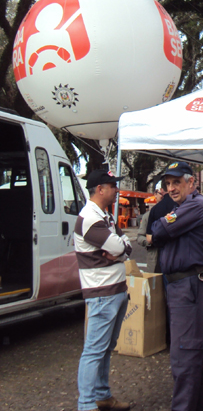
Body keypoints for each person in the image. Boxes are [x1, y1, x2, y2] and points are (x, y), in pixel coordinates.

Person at [151, 162, 203, 411]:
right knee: (191, 359)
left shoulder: (195, 206)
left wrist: (164, 228)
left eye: (176, 182)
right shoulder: (186, 207)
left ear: (192, 182)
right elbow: (158, 228)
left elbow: (158, 229)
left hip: (189, 287)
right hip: (186, 286)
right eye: (168, 184)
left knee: (184, 359)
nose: (171, 188)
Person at [75, 169, 132, 411]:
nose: (116, 190)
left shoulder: (105, 217)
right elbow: (119, 246)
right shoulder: (90, 218)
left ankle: (102, 396)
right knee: (94, 351)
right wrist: (120, 251)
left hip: (114, 292)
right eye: (112, 186)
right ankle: (86, 404)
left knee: (105, 348)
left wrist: (120, 252)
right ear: (100, 189)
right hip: (102, 294)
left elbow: (124, 245)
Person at [145, 179, 177, 272]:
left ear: (162, 190)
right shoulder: (182, 205)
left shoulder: (155, 209)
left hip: (162, 256)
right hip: (181, 257)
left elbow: (149, 238)